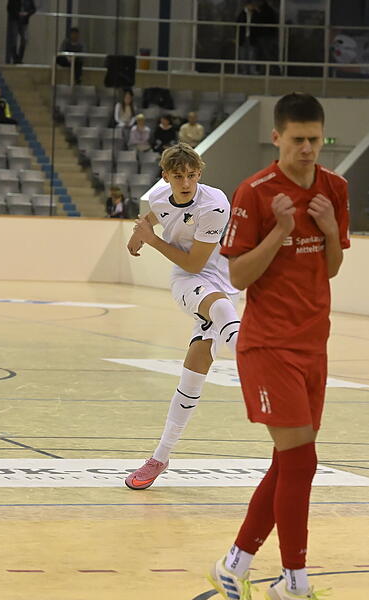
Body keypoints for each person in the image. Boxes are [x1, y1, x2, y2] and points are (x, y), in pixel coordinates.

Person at [209, 93, 350, 600]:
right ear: (277, 138)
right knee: (301, 461)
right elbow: (238, 274)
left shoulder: (335, 189)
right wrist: (282, 231)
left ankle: (234, 564)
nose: (309, 149)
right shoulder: (256, 192)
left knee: (289, 462)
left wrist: (331, 229)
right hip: (268, 346)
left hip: (314, 345)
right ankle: (294, 581)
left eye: (316, 139)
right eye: (298, 140)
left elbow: (330, 266)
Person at [124, 143, 241, 489]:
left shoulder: (215, 204)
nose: (186, 182)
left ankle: (160, 456)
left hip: (220, 276)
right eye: (179, 176)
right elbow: (153, 217)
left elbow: (196, 260)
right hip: (187, 282)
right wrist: (138, 237)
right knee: (219, 308)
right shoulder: (160, 195)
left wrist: (152, 241)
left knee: (192, 380)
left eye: (191, 175)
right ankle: (254, 354)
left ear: (199, 174)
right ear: (166, 177)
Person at [6, 0, 37, 65]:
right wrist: (17, 13)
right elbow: (9, 8)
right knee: (13, 39)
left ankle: (19, 58)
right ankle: (15, 58)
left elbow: (33, 9)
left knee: (24, 40)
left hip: (24, 21)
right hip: (14, 19)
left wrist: (27, 14)